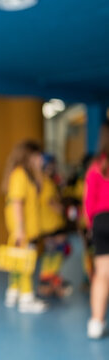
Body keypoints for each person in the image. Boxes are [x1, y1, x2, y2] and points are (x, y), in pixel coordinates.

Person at [2, 140, 48, 313]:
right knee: (26, 264)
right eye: (38, 156)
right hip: (23, 230)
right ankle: (26, 299)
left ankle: (13, 293)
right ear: (29, 156)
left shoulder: (27, 175)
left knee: (17, 261)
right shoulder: (20, 175)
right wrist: (20, 230)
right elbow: (17, 203)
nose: (41, 160)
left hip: (26, 228)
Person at [84, 120, 109, 339]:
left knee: (102, 273)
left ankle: (96, 322)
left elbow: (88, 202)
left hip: (101, 221)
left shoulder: (96, 167)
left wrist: (91, 226)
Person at [37, 154, 72, 298]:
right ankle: (49, 279)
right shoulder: (44, 182)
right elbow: (49, 201)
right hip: (51, 224)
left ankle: (50, 280)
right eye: (50, 165)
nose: (53, 168)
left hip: (53, 223)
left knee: (54, 253)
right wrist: (64, 209)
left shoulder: (49, 181)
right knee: (58, 251)